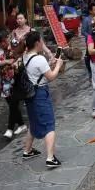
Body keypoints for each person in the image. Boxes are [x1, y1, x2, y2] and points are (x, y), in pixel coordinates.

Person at [22, 30, 64, 167]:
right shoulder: (39, 59)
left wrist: (50, 64)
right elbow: (51, 77)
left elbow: (40, 71)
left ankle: (27, 150)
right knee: (49, 124)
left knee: (34, 121)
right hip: (40, 93)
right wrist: (57, 66)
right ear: (37, 43)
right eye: (41, 41)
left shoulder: (26, 56)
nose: (43, 43)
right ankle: (50, 158)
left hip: (29, 94)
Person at [0, 27, 27, 140]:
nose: (3, 43)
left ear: (7, 38)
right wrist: (6, 61)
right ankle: (21, 125)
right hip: (5, 80)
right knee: (12, 104)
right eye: (0, 42)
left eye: (4, 40)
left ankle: (10, 129)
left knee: (13, 104)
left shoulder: (14, 43)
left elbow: (25, 47)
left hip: (16, 78)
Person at [81, 2, 95, 78]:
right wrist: (89, 37)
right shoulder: (86, 20)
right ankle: (90, 71)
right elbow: (83, 31)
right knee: (88, 56)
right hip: (90, 42)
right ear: (90, 11)